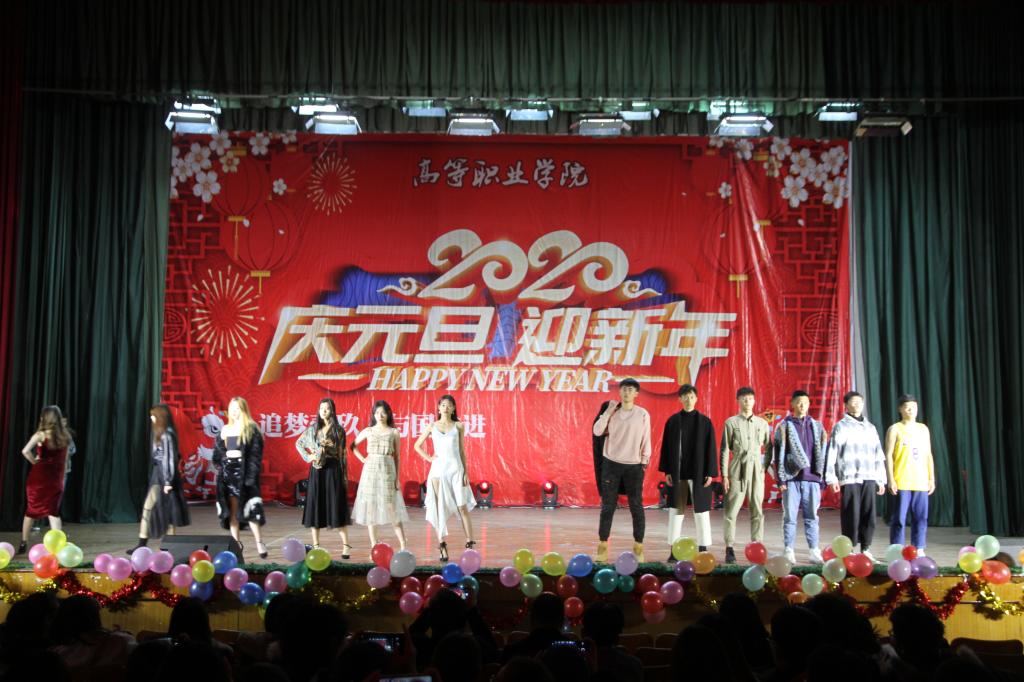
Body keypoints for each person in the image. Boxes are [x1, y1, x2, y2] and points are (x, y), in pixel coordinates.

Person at [593, 378, 651, 562]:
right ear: (620, 391)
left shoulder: (642, 414)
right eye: (624, 389)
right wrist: (608, 411)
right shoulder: (612, 411)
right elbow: (597, 431)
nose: (627, 392)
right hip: (611, 464)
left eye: (631, 389)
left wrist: (644, 460)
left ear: (636, 394)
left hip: (634, 466)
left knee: (636, 506)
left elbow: (646, 438)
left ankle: (638, 546)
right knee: (608, 506)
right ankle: (602, 545)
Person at [825, 391, 887, 562]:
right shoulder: (841, 426)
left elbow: (878, 454)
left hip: (869, 476)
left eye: (860, 401)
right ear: (846, 405)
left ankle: (866, 548)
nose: (858, 404)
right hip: (850, 476)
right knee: (851, 514)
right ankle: (849, 549)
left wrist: (881, 479)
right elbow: (832, 452)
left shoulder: (870, 428)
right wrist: (832, 478)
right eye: (853, 402)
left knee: (869, 513)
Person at [659, 384, 717, 562]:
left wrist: (710, 472)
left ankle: (703, 548)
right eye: (685, 396)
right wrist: (667, 470)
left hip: (699, 473)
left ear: (696, 399)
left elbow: (711, 449)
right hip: (678, 474)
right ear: (680, 399)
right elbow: (666, 448)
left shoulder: (705, 422)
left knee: (702, 513)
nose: (688, 399)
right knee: (675, 512)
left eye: (691, 396)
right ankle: (673, 550)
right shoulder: (672, 422)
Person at [414, 394, 475, 561]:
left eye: (449, 405)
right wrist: (429, 458)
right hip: (438, 472)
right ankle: (442, 545)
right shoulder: (432, 426)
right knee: (438, 508)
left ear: (454, 408)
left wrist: (465, 472)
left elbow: (461, 451)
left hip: (456, 469)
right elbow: (417, 445)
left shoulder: (459, 426)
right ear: (438, 408)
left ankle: (470, 543)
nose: (446, 407)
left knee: (462, 506)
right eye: (443, 405)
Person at [769, 390, 827, 564]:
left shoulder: (817, 426)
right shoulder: (783, 427)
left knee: (812, 517)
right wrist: (781, 479)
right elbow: (777, 454)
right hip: (791, 478)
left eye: (806, 402)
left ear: (809, 405)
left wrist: (822, 478)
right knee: (789, 517)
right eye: (799, 402)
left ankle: (814, 551)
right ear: (793, 404)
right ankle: (789, 550)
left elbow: (824, 453)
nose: (802, 405)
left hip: (812, 478)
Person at [129, 405, 191, 553]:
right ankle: (143, 543)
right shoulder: (160, 433)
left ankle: (167, 547)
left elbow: (170, 459)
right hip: (158, 474)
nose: (151, 418)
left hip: (165, 476)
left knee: (166, 511)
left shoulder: (167, 435)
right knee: (150, 508)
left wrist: (168, 481)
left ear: (161, 417)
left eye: (154, 415)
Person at [295, 398, 352, 558]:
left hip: (333, 470)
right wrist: (310, 456)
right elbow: (299, 443)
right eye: (321, 408)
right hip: (317, 470)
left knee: (336, 506)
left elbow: (342, 455)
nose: (324, 411)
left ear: (332, 410)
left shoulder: (338, 431)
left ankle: (346, 546)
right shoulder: (312, 429)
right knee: (315, 506)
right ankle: (316, 545)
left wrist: (344, 477)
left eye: (327, 408)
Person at [720, 387, 772, 564]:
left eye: (750, 398)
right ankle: (729, 547)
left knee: (757, 509)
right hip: (737, 467)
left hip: (756, 467)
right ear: (738, 401)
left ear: (754, 401)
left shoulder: (762, 424)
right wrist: (725, 475)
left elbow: (769, 446)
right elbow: (725, 449)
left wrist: (763, 467)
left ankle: (757, 545)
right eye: (743, 398)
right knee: (731, 510)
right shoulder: (731, 423)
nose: (747, 401)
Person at [213, 397, 268, 558]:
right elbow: (218, 454)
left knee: (250, 510)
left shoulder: (251, 429)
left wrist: (250, 477)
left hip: (244, 474)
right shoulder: (225, 429)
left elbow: (255, 456)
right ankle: (236, 546)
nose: (234, 412)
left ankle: (259, 542)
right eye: (232, 409)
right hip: (228, 474)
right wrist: (221, 466)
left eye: (237, 409)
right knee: (232, 512)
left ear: (243, 410)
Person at [351, 400, 409, 551]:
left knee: (392, 508)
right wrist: (363, 459)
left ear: (388, 414)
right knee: (371, 509)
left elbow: (397, 457)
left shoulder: (393, 432)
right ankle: (374, 545)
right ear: (373, 415)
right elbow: (353, 446)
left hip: (387, 470)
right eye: (377, 413)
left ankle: (403, 544)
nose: (380, 415)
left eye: (383, 412)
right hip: (370, 472)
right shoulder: (368, 431)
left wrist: (397, 478)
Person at [19, 406, 73, 555]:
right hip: (56, 479)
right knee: (53, 512)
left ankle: (23, 542)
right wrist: (61, 477)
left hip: (39, 478)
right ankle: (59, 546)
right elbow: (65, 460)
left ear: (45, 418)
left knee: (31, 511)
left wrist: (35, 462)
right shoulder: (65, 436)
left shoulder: (41, 435)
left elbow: (25, 451)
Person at [885, 394, 935, 554]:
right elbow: (888, 455)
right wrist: (891, 479)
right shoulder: (895, 429)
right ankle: (897, 548)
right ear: (900, 409)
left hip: (920, 480)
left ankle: (918, 547)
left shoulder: (923, 429)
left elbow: (928, 454)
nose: (911, 410)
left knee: (920, 517)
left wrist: (931, 478)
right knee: (899, 518)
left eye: (914, 407)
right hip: (901, 480)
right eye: (907, 407)